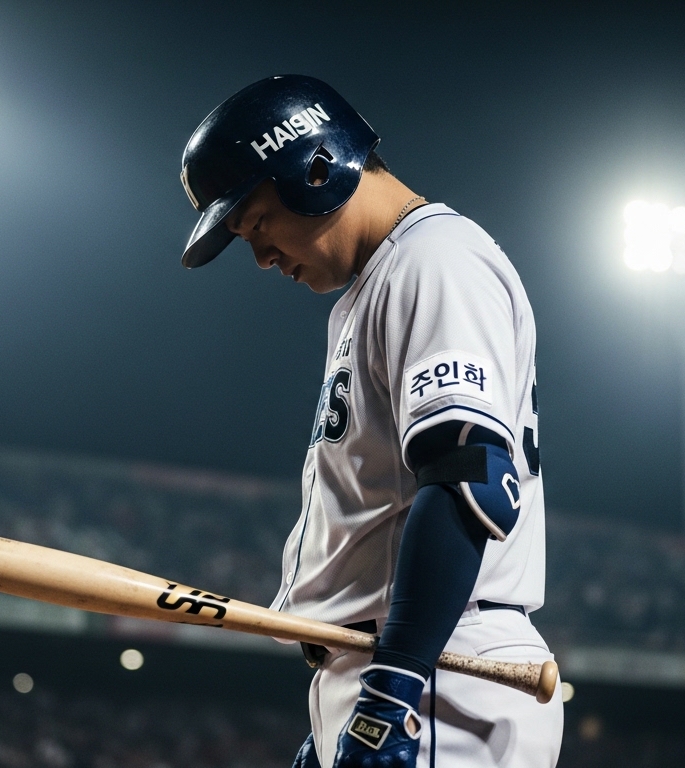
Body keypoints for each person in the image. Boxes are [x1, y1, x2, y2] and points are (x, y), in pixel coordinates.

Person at [177, 75, 562, 768]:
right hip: (406, 668)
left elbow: (466, 479)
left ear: (317, 169)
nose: (261, 257)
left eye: (256, 223)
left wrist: (390, 697)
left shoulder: (435, 259)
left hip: (439, 676)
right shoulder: (382, 283)